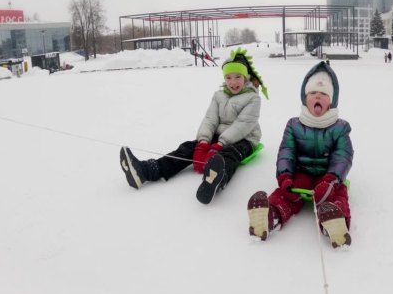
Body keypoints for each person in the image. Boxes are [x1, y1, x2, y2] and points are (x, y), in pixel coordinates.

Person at [120, 47, 268, 204]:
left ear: (245, 78)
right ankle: (147, 171)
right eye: (228, 77)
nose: (233, 82)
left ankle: (216, 179)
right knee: (188, 147)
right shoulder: (219, 95)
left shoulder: (252, 98)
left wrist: (219, 144)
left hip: (245, 138)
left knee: (230, 154)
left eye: (238, 77)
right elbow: (210, 119)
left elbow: (243, 124)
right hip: (219, 136)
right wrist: (204, 142)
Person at [247, 61, 353, 248]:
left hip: (327, 176)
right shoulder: (294, 125)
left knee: (337, 193)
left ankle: (336, 221)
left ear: (331, 100)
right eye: (312, 93)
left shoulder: (339, 128)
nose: (317, 97)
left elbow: (342, 156)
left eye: (323, 94)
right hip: (301, 173)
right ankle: (271, 215)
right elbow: (286, 152)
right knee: (287, 193)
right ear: (305, 98)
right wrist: (285, 176)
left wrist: (331, 180)